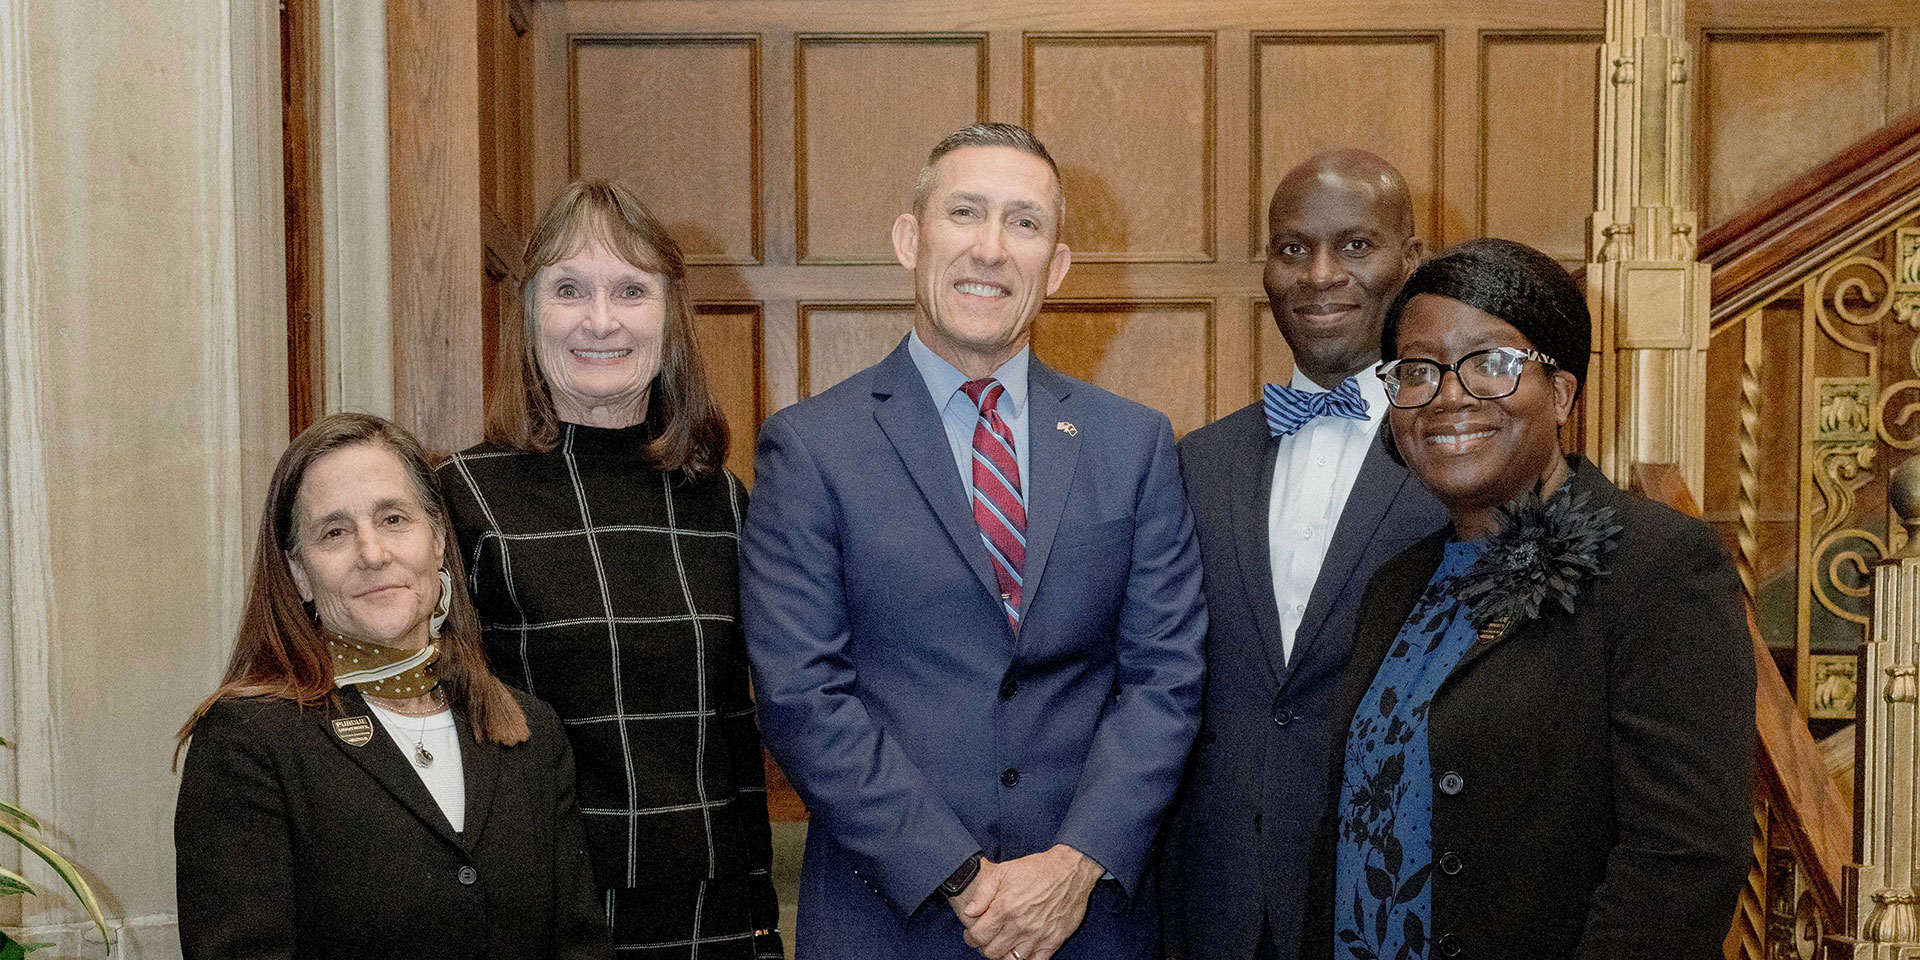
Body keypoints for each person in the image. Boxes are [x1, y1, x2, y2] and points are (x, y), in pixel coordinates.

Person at [740, 122, 1207, 960]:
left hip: (1088, 918)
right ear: (910, 240)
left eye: (1024, 223)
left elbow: (1166, 676)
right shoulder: (811, 447)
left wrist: (1072, 867)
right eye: (965, 213)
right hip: (891, 915)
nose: (991, 249)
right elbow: (802, 693)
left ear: (1055, 265)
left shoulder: (1132, 444)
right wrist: (962, 877)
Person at [1303, 238, 1753, 959]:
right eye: (1418, 371)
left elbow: (1684, 862)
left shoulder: (1658, 566)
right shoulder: (1397, 585)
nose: (1449, 395)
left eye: (1491, 364)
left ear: (1563, 393)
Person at [436, 180, 782, 960]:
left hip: (709, 908)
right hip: (541, 907)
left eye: (631, 290)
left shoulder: (721, 500)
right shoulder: (463, 495)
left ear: (669, 316)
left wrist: (758, 917)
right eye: (569, 289)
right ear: (529, 315)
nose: (600, 320)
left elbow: (738, 728)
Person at [174, 412, 609, 960]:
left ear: (437, 541)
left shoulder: (530, 734)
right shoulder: (248, 742)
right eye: (334, 533)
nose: (372, 554)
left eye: (394, 520)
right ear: (300, 573)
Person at [1162, 149, 1444, 960]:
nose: (1320, 275)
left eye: (1355, 246)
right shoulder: (1197, 462)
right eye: (1293, 249)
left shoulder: (1460, 459)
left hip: (1392, 899)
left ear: (1409, 261)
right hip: (1213, 909)